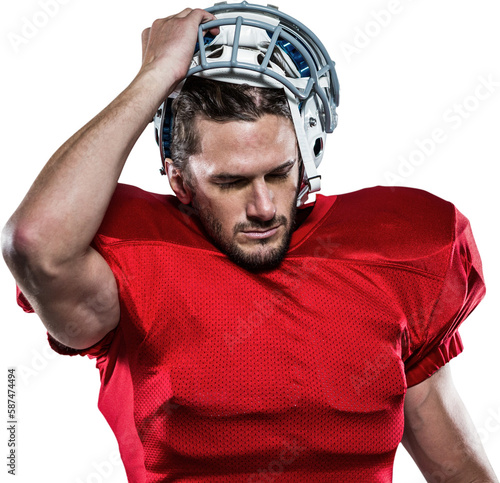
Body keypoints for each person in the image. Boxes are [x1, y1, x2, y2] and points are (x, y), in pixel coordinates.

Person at [2, 2, 498, 482]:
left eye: (278, 174)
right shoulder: (132, 264)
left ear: (309, 156)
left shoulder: (394, 253)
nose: (263, 206)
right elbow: (34, 243)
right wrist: (154, 77)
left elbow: (454, 470)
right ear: (179, 180)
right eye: (231, 182)